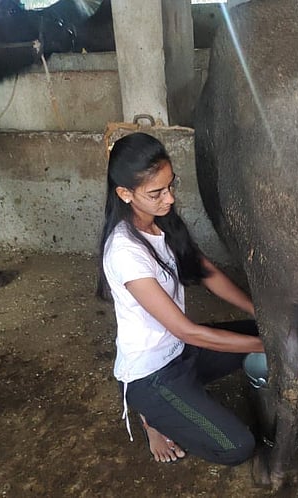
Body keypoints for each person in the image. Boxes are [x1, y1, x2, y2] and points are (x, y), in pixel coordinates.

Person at [97, 132, 264, 466]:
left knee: (261, 330)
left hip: (182, 350)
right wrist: (268, 345)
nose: (169, 199)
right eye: (156, 192)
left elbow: (206, 272)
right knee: (237, 447)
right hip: (152, 375)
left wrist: (260, 314)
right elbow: (188, 331)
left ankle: (181, 402)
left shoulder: (162, 222)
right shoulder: (125, 251)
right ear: (125, 193)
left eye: (171, 186)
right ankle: (152, 417)